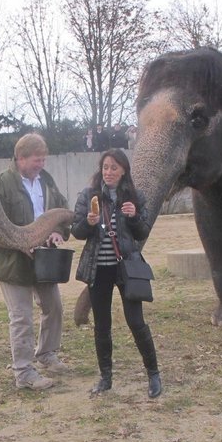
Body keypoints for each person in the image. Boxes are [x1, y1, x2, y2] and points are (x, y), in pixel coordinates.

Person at [71, 148, 162, 398]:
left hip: (126, 268)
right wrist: (87, 223)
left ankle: (153, 374)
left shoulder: (134, 196)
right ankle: (106, 377)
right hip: (98, 269)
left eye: (114, 167)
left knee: (136, 321)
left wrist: (133, 218)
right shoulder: (89, 195)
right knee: (102, 325)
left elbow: (142, 231)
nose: (108, 172)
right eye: (105, 167)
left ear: (123, 170)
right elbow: (76, 232)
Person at [0, 133, 70, 390]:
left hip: (43, 259)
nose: (41, 164)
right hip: (13, 263)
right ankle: (23, 373)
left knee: (53, 306)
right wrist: (18, 243)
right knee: (21, 317)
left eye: (43, 159)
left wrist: (58, 232)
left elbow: (62, 211)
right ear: (20, 158)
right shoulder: (1, 183)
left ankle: (46, 353)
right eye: (36, 160)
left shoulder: (46, 180)